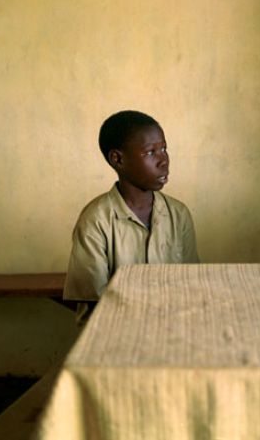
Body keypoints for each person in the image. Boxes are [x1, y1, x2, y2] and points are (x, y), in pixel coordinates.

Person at [64, 110, 199, 321]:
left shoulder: (178, 214)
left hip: (173, 329)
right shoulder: (95, 221)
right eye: (150, 152)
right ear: (117, 159)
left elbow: (192, 284)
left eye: (164, 149)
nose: (164, 160)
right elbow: (94, 306)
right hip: (114, 336)